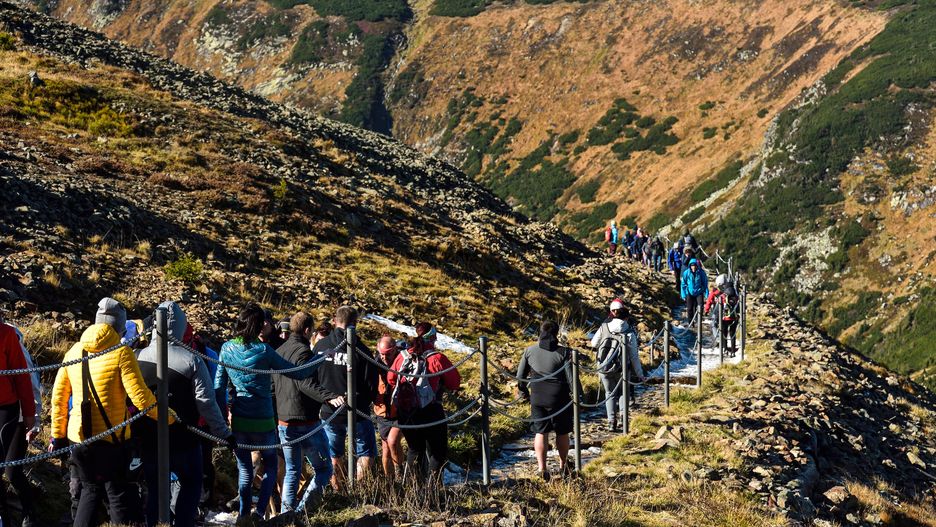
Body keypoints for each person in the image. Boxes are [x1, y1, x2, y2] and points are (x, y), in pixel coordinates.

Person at [50, 297, 166, 527]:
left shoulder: (74, 351)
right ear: (120, 326)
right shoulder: (122, 352)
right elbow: (141, 398)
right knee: (117, 494)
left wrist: (58, 435)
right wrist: (168, 418)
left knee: (90, 491)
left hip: (79, 439)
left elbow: (58, 398)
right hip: (112, 440)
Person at [214, 302, 321, 524]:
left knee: (245, 469)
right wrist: (319, 358)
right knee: (271, 465)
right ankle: (259, 512)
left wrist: (224, 419)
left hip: (240, 419)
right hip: (263, 419)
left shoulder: (226, 349)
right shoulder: (263, 350)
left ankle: (243, 515)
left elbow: (218, 388)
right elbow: (296, 373)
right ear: (256, 326)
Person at [135, 302, 235, 527]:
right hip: (185, 439)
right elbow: (206, 403)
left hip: (149, 439)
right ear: (181, 326)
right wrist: (224, 434)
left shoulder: (137, 356)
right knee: (191, 484)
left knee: (154, 489)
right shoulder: (192, 360)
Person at [274, 312, 344, 514]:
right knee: (323, 469)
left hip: (284, 420)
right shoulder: (303, 352)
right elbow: (305, 383)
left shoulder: (280, 350)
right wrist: (329, 396)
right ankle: (304, 511)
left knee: (292, 471)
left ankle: (286, 515)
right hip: (305, 420)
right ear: (306, 331)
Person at [312, 306, 379, 490]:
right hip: (357, 411)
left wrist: (324, 398)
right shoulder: (362, 349)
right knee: (366, 452)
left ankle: (339, 492)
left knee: (334, 454)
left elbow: (312, 377)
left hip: (329, 410)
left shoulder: (321, 346)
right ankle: (357, 490)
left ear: (335, 320)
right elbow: (371, 385)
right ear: (355, 324)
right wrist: (363, 402)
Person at [386, 323, 461, 482]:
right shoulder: (437, 358)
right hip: (430, 410)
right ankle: (433, 491)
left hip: (406, 412)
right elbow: (454, 383)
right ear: (433, 338)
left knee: (415, 449)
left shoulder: (403, 356)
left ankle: (414, 490)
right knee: (437, 451)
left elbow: (391, 379)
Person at [516, 321, 577, 480]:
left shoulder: (529, 351)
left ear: (540, 332)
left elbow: (520, 377)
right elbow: (572, 379)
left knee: (540, 431)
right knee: (562, 432)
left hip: (538, 396)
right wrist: (579, 397)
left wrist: (523, 392)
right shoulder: (564, 352)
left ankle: (542, 469)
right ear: (556, 334)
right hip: (560, 397)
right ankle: (563, 466)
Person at [0, 314, 37, 527]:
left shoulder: (7, 335)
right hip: (13, 411)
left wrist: (32, 416)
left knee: (12, 471)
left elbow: (26, 379)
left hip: (10, 412)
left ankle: (29, 515)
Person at [590, 300, 643, 430]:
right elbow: (634, 356)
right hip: (622, 368)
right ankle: (623, 420)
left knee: (609, 393)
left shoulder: (604, 327)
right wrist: (640, 374)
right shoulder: (629, 332)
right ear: (626, 317)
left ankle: (611, 421)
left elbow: (593, 344)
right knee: (623, 393)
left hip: (604, 366)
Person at [374, 336, 404, 480]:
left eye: (388, 354)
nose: (384, 358)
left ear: (395, 350)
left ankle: (400, 474)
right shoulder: (374, 363)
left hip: (401, 411)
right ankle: (391, 484)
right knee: (386, 448)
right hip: (382, 412)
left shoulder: (404, 362)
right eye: (382, 354)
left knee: (392, 441)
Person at [705, 275, 741, 356]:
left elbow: (717, 309)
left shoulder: (723, 296)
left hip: (724, 318)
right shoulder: (736, 296)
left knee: (724, 333)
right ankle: (732, 350)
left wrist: (716, 318)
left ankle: (724, 349)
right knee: (732, 334)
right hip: (734, 317)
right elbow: (739, 307)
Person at [681, 259, 709, 324]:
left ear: (697, 266)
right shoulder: (686, 273)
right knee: (690, 308)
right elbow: (683, 284)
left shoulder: (701, 272)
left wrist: (707, 294)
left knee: (700, 306)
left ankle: (699, 321)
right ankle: (690, 322)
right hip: (689, 292)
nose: (693, 267)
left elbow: (705, 283)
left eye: (694, 265)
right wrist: (683, 295)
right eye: (692, 266)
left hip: (699, 292)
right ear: (690, 266)